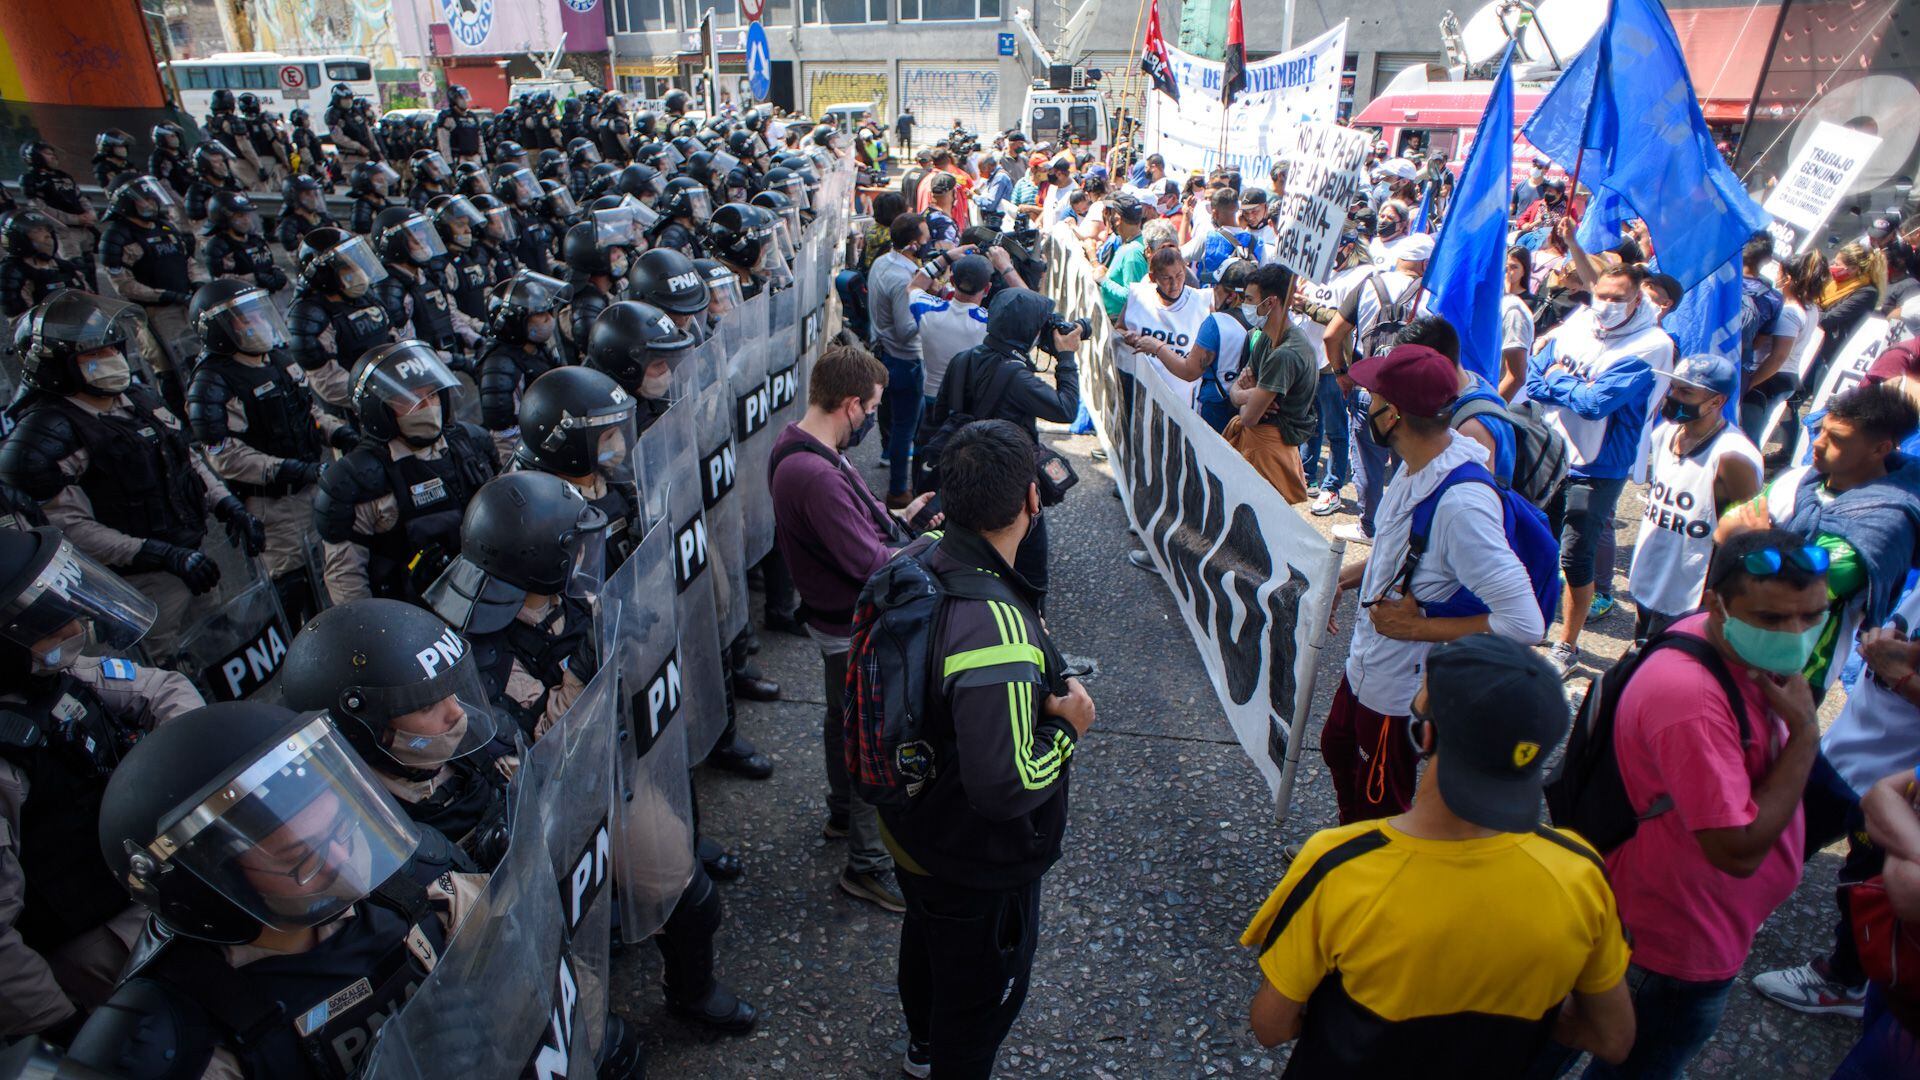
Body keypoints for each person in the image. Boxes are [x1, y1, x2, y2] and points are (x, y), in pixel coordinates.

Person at [61, 700, 520, 1079]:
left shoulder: (404, 879)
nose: (344, 867)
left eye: (341, 829)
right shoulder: (173, 1040)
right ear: (206, 887)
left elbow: (523, 959)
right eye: (299, 858)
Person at [1242, 634, 1634, 1075]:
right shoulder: (1580, 872)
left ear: (1425, 734)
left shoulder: (1340, 862)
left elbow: (1271, 1025)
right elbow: (1612, 1038)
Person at [880, 418, 1095, 1080]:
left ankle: (921, 1045)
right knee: (977, 1006)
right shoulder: (994, 625)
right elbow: (1002, 786)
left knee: (927, 935)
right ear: (1032, 500)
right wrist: (1067, 729)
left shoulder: (915, 556)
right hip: (971, 856)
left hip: (906, 819)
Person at [1572, 529, 1826, 1079]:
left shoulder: (1729, 648)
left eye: (1812, 616)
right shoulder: (1692, 699)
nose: (1797, 634)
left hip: (1690, 925)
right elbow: (1734, 853)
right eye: (1774, 619)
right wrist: (1805, 734)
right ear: (1717, 603)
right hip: (1670, 944)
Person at [1323, 345, 1547, 824]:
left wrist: (1418, 628)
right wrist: (1348, 580)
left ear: (1393, 414)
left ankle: (1372, 883)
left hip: (1399, 685)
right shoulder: (1419, 461)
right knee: (1336, 748)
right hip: (1368, 658)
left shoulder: (1463, 506)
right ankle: (1346, 856)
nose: (1365, 404)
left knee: (1379, 804)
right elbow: (1407, 547)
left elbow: (1525, 623)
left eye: (1372, 397)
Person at [0, 526, 205, 1046]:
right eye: (52, 624)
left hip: (153, 880)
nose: (75, 627)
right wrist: (58, 1026)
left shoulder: (50, 675)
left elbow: (163, 688)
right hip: (98, 942)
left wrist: (188, 765)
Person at [769, 343, 944, 913]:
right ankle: (867, 865)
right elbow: (871, 565)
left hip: (837, 620)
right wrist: (928, 545)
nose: (872, 419)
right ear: (848, 404)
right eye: (869, 409)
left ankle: (843, 815)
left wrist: (899, 517)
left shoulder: (805, 444)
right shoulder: (812, 472)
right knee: (878, 735)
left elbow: (858, 526)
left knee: (841, 720)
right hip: (852, 624)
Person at [0, 291, 264, 663]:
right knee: (171, 671)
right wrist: (161, 554)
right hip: (139, 586)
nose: (110, 361)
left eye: (111, 350)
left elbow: (187, 460)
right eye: (94, 356)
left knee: (221, 651)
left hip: (194, 559)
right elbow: (71, 530)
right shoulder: (48, 434)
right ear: (57, 367)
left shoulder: (138, 400)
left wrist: (228, 505)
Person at [1716, 381, 1920, 698]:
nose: (1818, 443)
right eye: (1821, 430)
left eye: (1837, 439)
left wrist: (1755, 539)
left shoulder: (1884, 525)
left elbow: (1790, 589)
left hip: (1801, 672)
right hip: (1737, 642)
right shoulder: (1800, 480)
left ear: (1880, 448)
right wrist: (1757, 546)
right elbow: (1725, 530)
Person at [1526, 263, 1675, 676]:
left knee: (1575, 556)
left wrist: (1558, 378)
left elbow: (1597, 405)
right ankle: (1534, 624)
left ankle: (1568, 646)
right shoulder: (1579, 321)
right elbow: (1533, 378)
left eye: (1617, 298)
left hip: (1600, 465)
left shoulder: (1652, 343)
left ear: (1637, 300)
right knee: (1539, 539)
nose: (1606, 305)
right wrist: (1569, 384)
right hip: (1554, 449)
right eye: (1601, 295)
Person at [185, 280, 351, 628]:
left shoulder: (277, 358)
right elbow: (224, 454)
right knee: (294, 589)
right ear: (219, 330)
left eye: (256, 315)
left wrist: (337, 431)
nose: (256, 324)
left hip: (313, 483)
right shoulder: (211, 382)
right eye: (244, 320)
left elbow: (307, 412)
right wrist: (287, 470)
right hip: (274, 506)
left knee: (333, 574)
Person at [312, 341, 498, 605]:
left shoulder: (472, 442)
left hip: (491, 596)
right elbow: (348, 585)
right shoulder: (359, 481)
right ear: (378, 409)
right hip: (415, 619)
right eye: (411, 400)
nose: (428, 407)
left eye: (432, 395)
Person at [933, 288, 1084, 596]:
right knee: (1031, 572)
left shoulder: (963, 359)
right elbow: (1066, 408)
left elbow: (938, 415)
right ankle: (1034, 635)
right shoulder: (1016, 376)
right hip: (1008, 485)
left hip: (965, 475)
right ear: (1025, 331)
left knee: (971, 562)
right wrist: (1066, 356)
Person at [1624, 355, 1762, 643]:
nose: (1673, 397)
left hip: (1693, 588)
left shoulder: (1733, 457)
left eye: (1686, 392)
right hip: (1652, 572)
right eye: (1673, 388)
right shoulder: (1665, 434)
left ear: (1716, 402)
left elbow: (1748, 537)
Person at [1323, 233, 1436, 545]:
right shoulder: (1432, 294)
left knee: (1368, 465)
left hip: (1367, 389)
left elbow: (1332, 336)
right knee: (1408, 466)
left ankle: (1369, 526)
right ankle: (1403, 529)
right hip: (1412, 396)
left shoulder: (1369, 284)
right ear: (1426, 263)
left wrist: (1341, 373)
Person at [97, 174, 205, 399]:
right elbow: (124, 285)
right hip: (156, 313)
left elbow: (187, 260)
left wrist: (196, 283)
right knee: (170, 368)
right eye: (143, 201)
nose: (150, 205)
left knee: (199, 358)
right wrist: (166, 295)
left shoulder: (165, 227)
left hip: (187, 303)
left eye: (151, 199)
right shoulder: (117, 236)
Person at [1219, 263, 1318, 503]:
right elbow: (1238, 391)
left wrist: (1244, 397)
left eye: (1250, 299)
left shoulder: (1285, 354)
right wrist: (1248, 395)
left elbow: (1249, 417)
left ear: (1270, 302)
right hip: (1258, 442)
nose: (1245, 306)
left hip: (1270, 451)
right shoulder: (1264, 338)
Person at [285, 227, 396, 413]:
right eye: (347, 267)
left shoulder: (366, 298)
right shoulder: (310, 315)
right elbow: (328, 381)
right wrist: (383, 395)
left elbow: (394, 338)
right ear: (324, 274)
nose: (358, 271)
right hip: (352, 409)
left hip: (393, 395)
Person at [867, 212, 928, 506]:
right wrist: (929, 309)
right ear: (913, 245)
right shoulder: (903, 280)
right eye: (925, 238)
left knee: (891, 418)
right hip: (904, 359)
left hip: (884, 353)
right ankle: (898, 491)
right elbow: (906, 331)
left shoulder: (882, 262)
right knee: (905, 428)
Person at [475, 270, 567, 465]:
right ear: (514, 321)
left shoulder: (538, 349)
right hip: (528, 452)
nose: (548, 318)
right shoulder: (500, 365)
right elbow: (504, 431)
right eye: (539, 313)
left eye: (548, 311)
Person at [19, 142, 98, 290]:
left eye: (52, 153)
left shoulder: (64, 176)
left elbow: (80, 197)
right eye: (48, 154)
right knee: (78, 271)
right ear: (35, 157)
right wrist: (75, 219)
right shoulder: (31, 179)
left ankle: (98, 303)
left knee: (89, 266)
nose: (53, 156)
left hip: (84, 228)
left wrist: (90, 214)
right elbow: (41, 209)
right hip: (63, 231)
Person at [0, 209, 90, 319]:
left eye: (46, 230)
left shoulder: (65, 267)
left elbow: (89, 301)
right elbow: (20, 320)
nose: (47, 235)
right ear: (18, 238)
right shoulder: (13, 273)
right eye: (38, 231)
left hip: (77, 330)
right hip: (41, 332)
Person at [202, 191, 289, 295]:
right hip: (242, 303)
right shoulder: (219, 246)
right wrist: (255, 278)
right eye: (240, 216)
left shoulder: (256, 240)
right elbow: (222, 281)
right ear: (225, 218)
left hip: (268, 302)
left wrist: (276, 273)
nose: (246, 219)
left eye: (247, 215)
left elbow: (268, 264)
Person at [274, 174, 339, 254]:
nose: (313, 197)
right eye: (307, 193)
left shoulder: (326, 218)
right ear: (293, 196)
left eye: (315, 193)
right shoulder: (290, 226)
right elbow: (296, 257)